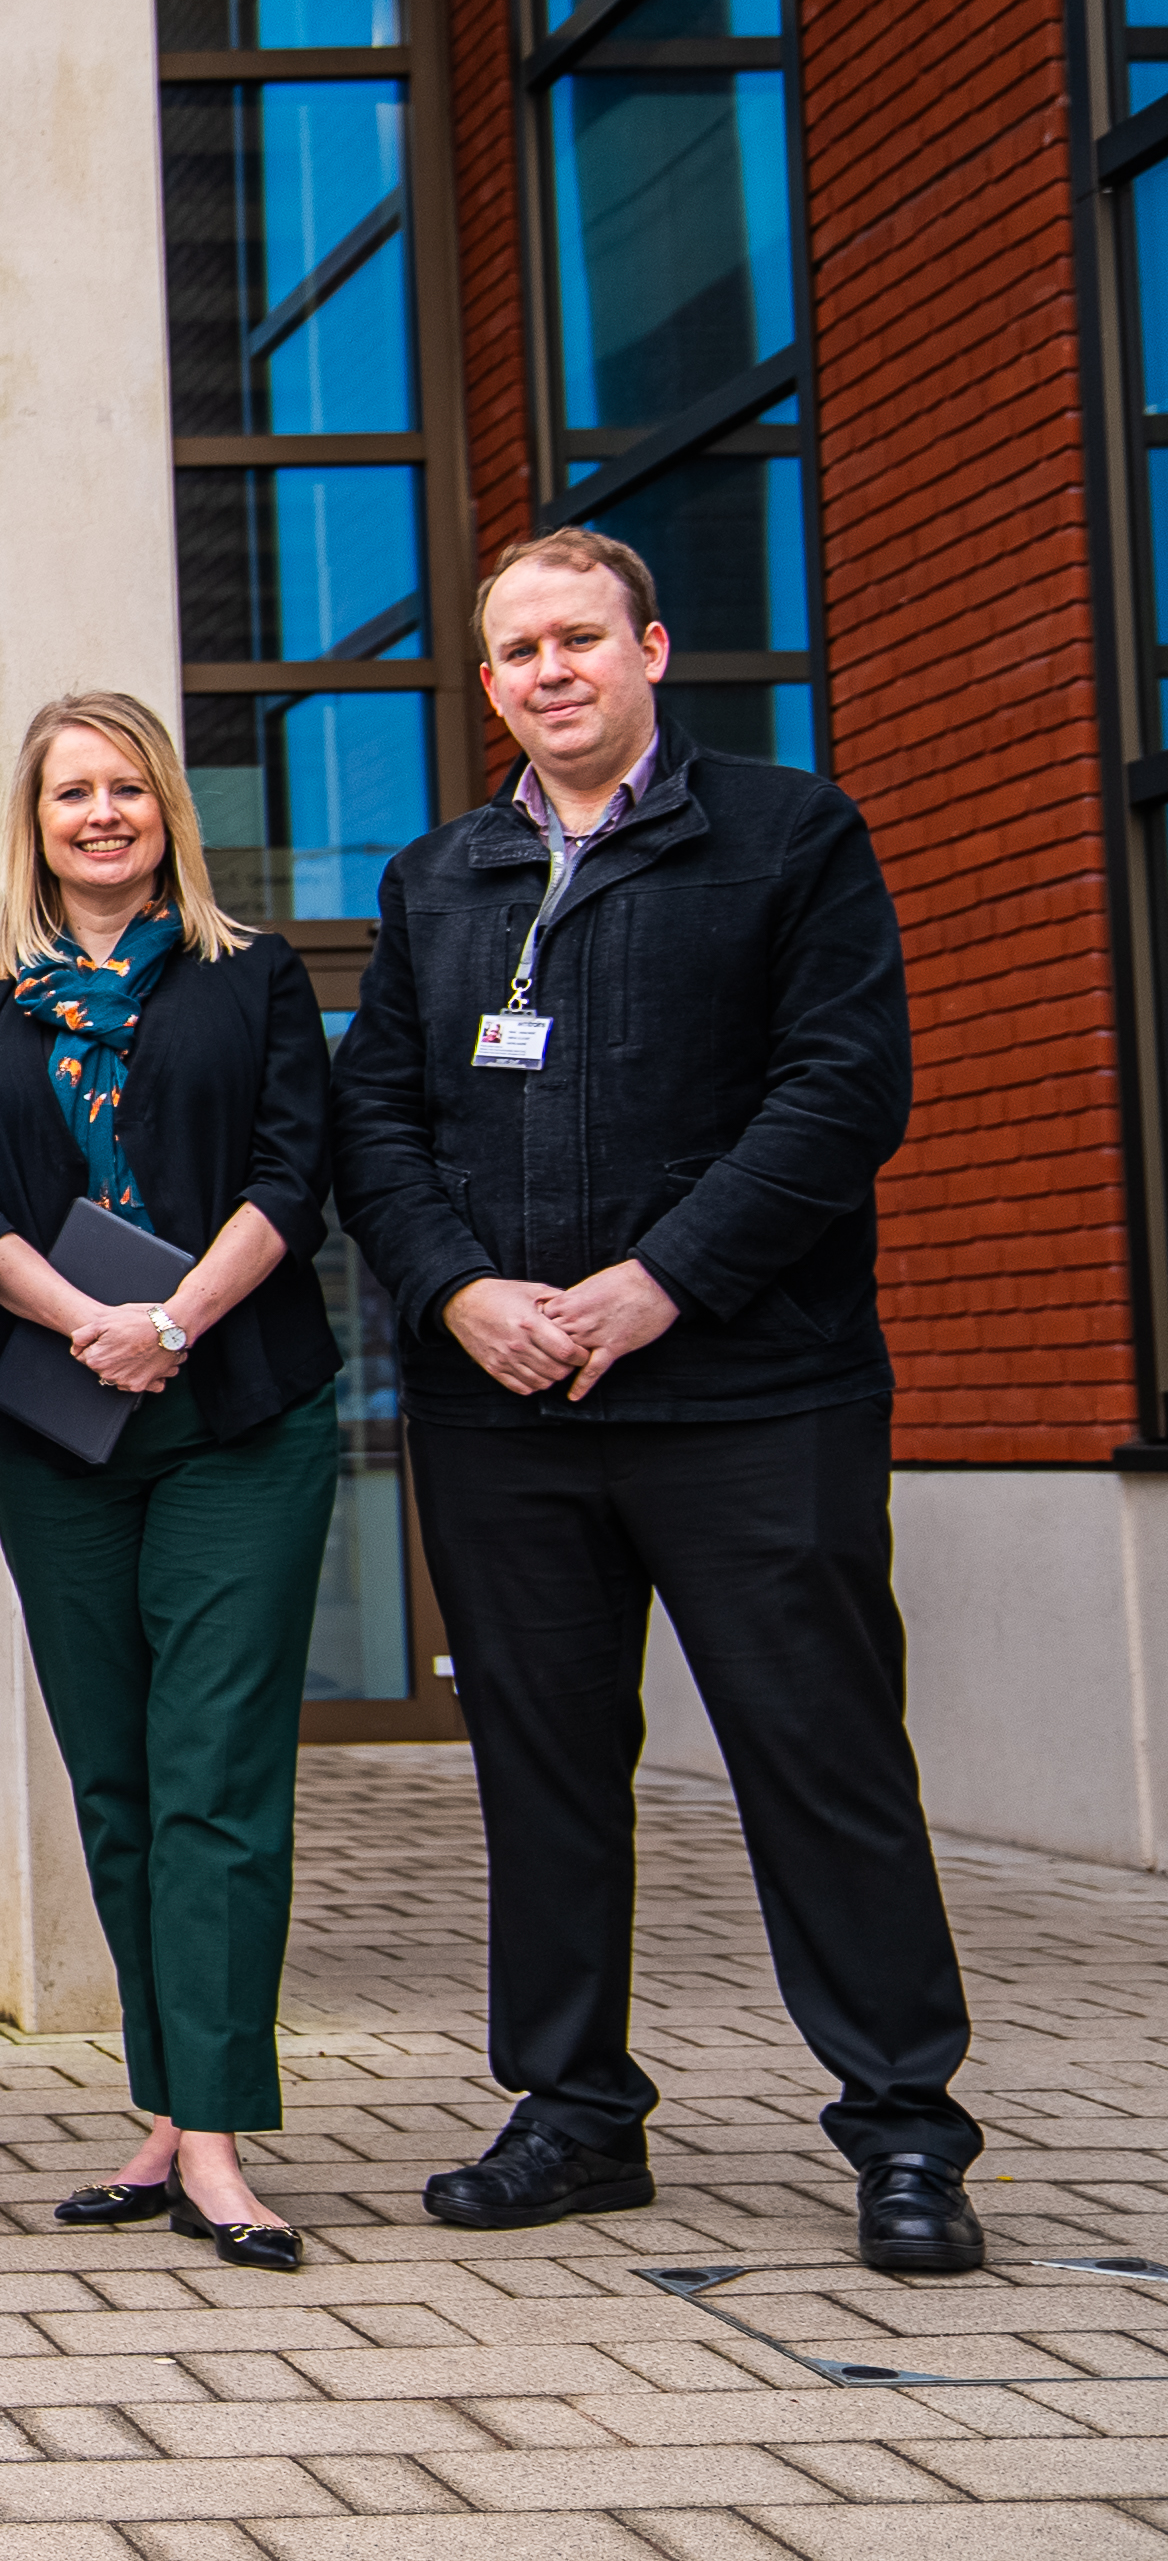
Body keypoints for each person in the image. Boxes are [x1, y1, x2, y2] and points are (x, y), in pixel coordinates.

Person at [332, 528, 981, 2275]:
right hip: (507, 1414)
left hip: (754, 1401)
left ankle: (906, 2128)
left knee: (820, 1761)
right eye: (518, 652)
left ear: (652, 649)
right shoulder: (439, 879)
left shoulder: (787, 838)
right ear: (488, 686)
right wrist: (462, 1293)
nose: (552, 672)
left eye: (580, 640)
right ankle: (572, 2113)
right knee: (544, 1771)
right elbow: (373, 1125)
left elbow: (843, 1096)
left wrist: (660, 1281)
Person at [0, 690, 340, 2273]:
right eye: (70, 793)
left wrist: (172, 1318)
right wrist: (89, 1321)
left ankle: (222, 2138)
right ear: (31, 824)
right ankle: (164, 2111)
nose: (101, 814)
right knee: (111, 1775)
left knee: (214, 1775)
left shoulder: (257, 980)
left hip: (237, 1414)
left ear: (169, 805)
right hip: (60, 1425)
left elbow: (293, 1177)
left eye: (127, 788)